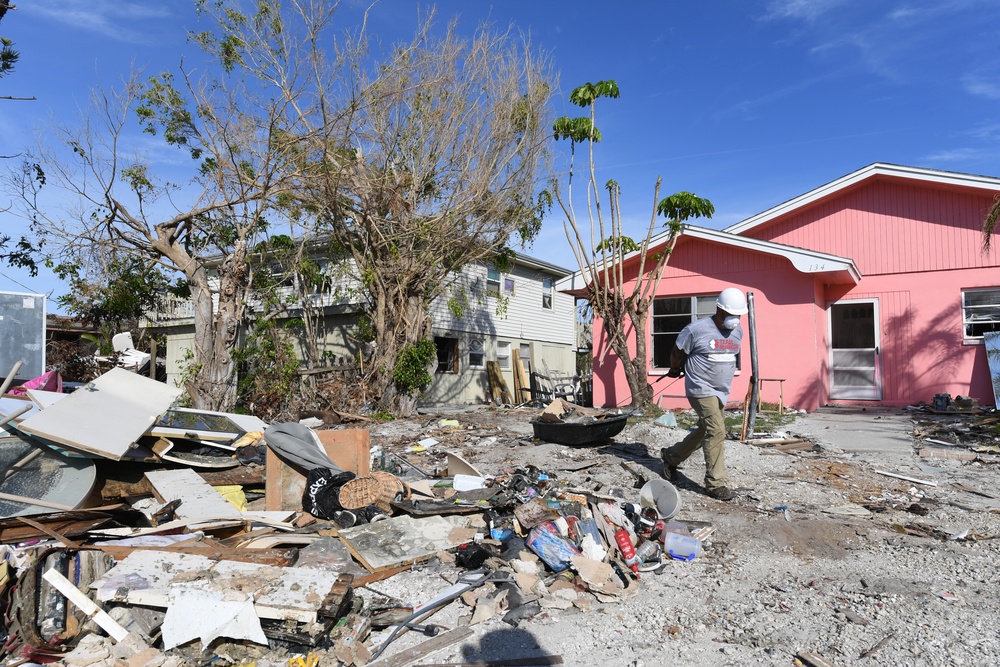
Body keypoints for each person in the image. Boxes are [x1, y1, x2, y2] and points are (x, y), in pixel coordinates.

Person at [660, 287, 748, 501]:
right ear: (719, 310)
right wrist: (674, 368)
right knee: (717, 431)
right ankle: (715, 484)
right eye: (730, 314)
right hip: (700, 389)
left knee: (704, 430)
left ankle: (671, 457)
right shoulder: (696, 329)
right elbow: (677, 351)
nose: (734, 319)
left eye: (737, 314)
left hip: (721, 391)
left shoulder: (738, 332)